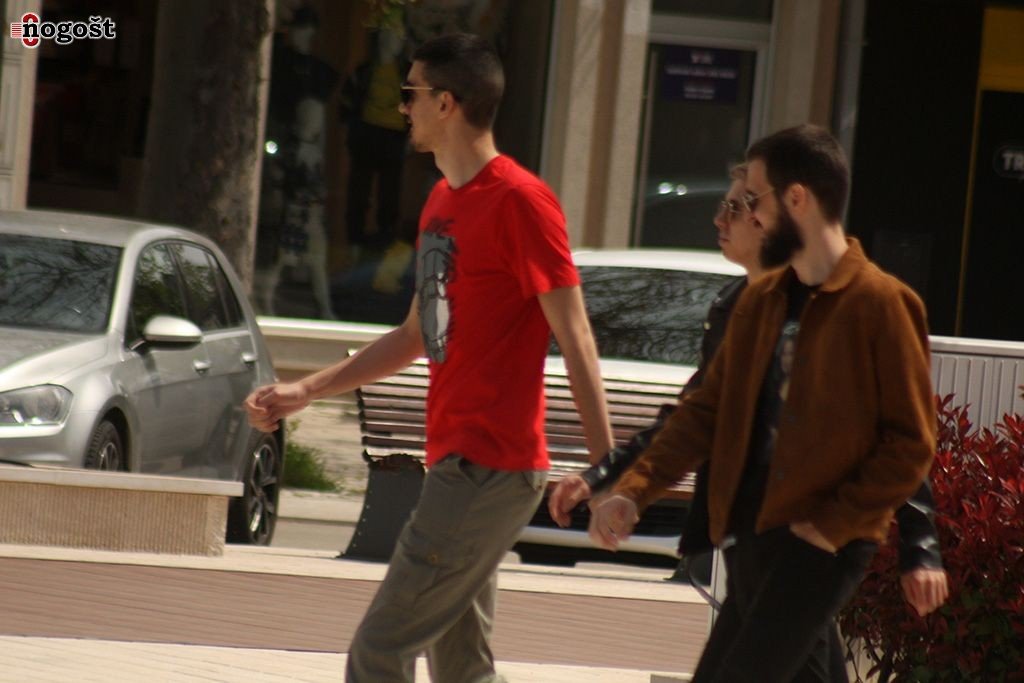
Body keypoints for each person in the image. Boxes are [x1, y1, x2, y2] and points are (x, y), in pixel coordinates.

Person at [244, 33, 613, 683]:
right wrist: (308, 390)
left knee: (378, 651)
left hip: (489, 469)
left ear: (447, 103)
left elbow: (577, 337)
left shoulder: (522, 202)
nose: (401, 106)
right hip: (456, 464)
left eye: (410, 92)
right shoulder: (442, 202)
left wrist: (610, 472)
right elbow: (417, 334)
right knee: (463, 669)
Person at [590, 124, 938, 682]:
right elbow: (705, 411)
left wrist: (832, 527)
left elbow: (910, 443)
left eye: (754, 200)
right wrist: (634, 490)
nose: (747, 216)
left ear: (796, 199)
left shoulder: (882, 305)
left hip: (821, 547)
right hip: (751, 539)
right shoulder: (761, 302)